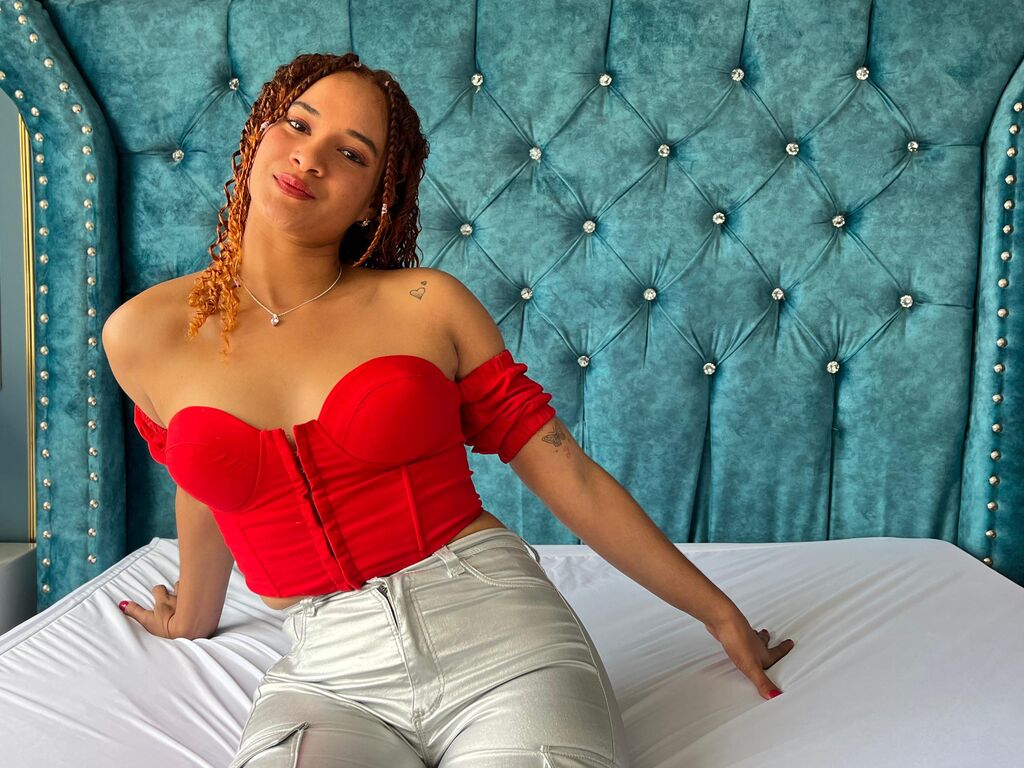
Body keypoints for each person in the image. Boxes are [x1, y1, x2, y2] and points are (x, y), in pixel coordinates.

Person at [103, 52, 794, 767]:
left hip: (498, 636)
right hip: (327, 674)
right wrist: (193, 615)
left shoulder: (425, 306)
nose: (309, 158)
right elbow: (202, 480)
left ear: (376, 199)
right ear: (257, 136)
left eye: (350, 153)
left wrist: (719, 615)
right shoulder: (143, 334)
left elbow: (573, 477)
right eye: (297, 126)